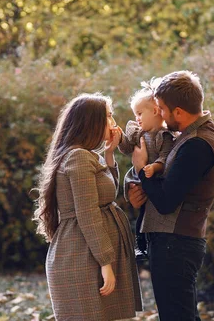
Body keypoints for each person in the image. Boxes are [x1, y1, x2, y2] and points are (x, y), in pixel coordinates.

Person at [34, 93, 142, 321]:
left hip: (89, 252)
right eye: (109, 117)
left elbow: (107, 193)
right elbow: (88, 213)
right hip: (83, 256)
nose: (114, 124)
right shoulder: (78, 158)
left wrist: (110, 153)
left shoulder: (87, 155)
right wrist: (106, 262)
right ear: (92, 122)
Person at [129, 71, 214, 321]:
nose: (158, 113)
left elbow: (166, 202)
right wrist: (142, 192)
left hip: (176, 244)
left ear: (179, 112)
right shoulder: (189, 137)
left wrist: (141, 168)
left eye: (161, 108)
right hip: (176, 242)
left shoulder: (196, 145)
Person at [117, 79, 175, 260]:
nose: (137, 118)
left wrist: (154, 166)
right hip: (139, 179)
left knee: (146, 215)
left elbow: (165, 158)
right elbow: (127, 148)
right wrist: (119, 138)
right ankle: (139, 246)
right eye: (136, 114)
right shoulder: (139, 133)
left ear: (156, 111)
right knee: (140, 213)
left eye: (140, 113)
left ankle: (142, 246)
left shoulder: (164, 136)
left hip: (153, 178)